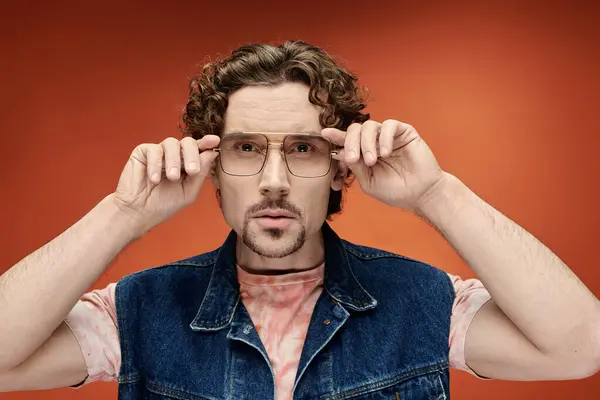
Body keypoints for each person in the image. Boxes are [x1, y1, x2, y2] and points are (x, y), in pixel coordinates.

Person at [0, 40, 599, 400]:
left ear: (342, 168)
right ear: (210, 166)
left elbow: (580, 348)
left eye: (303, 149)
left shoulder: (421, 302)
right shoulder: (139, 312)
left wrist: (436, 193)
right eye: (245, 149)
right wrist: (123, 213)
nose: (274, 180)